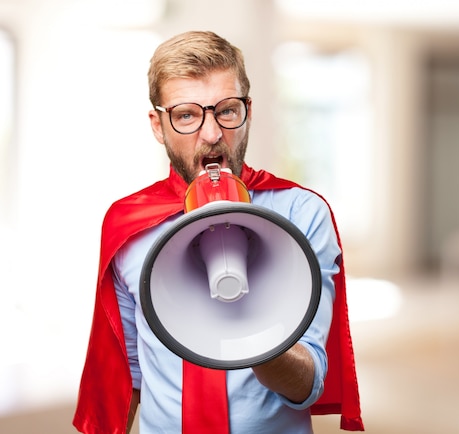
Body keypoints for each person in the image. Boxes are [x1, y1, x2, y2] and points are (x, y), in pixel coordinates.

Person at [73, 30, 363, 434]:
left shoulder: (301, 213)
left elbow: (307, 384)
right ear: (158, 125)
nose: (211, 135)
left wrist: (247, 329)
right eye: (187, 115)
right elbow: (128, 377)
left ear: (248, 110)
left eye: (227, 111)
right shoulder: (129, 225)